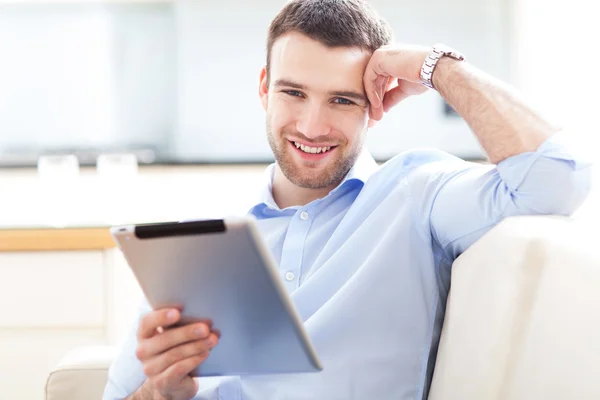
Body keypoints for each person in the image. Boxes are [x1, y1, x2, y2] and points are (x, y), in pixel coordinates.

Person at [103, 0, 592, 399]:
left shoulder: (416, 194)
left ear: (377, 104)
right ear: (263, 90)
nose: (312, 127)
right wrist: (158, 394)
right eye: (293, 93)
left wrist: (437, 67)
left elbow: (557, 176)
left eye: (342, 99)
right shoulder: (201, 242)